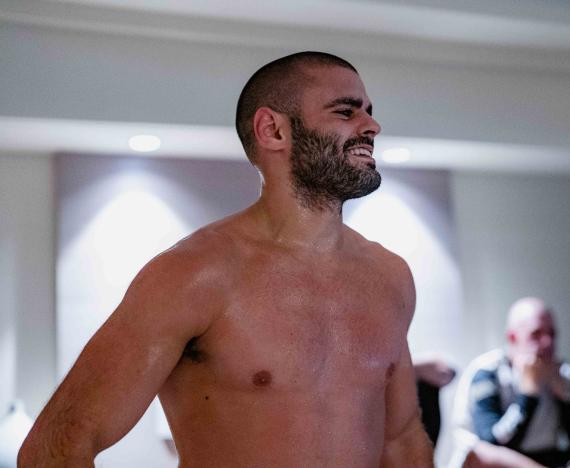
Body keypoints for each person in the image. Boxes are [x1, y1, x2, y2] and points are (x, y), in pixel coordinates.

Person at [18, 51, 434, 467]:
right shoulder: (194, 275)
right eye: (345, 111)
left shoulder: (389, 276)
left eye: (369, 113)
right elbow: (57, 445)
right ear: (273, 130)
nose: (372, 126)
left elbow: (402, 440)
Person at [449, 297, 570, 468]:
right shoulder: (487, 371)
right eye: (536, 334)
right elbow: (491, 442)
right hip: (506, 462)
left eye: (552, 334)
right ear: (513, 337)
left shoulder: (565, 372)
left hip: (551, 458)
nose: (547, 343)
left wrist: (568, 400)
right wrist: (528, 395)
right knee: (480, 455)